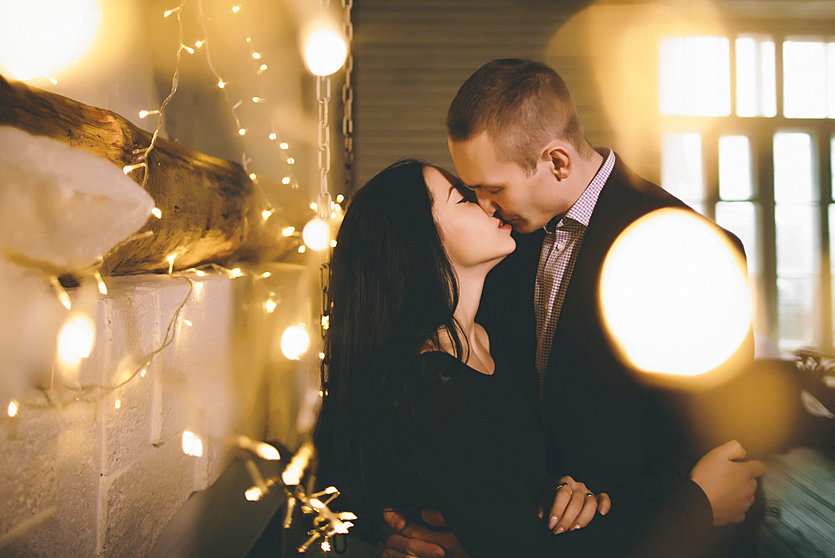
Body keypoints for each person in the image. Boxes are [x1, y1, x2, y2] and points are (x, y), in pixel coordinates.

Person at [382, 59, 766, 558]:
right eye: (473, 191)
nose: (484, 207)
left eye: (493, 189)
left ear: (557, 162)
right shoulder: (505, 243)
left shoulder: (687, 249)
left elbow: (717, 454)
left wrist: (598, 513)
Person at [315, 159, 761, 558]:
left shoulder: (489, 334)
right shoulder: (432, 386)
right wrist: (390, 527)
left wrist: (564, 491)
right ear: (419, 242)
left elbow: (520, 473)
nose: (490, 205)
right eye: (464, 199)